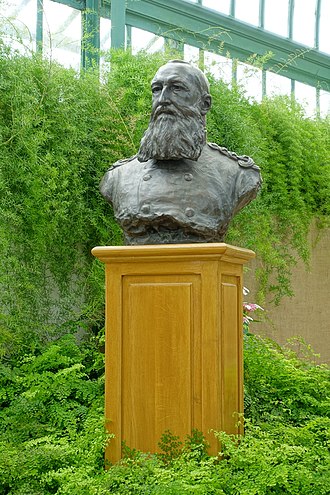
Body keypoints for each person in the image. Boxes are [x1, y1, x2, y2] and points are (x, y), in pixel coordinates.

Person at [100, 60, 262, 245]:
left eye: (176, 88)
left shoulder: (237, 175)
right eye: (156, 89)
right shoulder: (118, 177)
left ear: (204, 104)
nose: (163, 99)